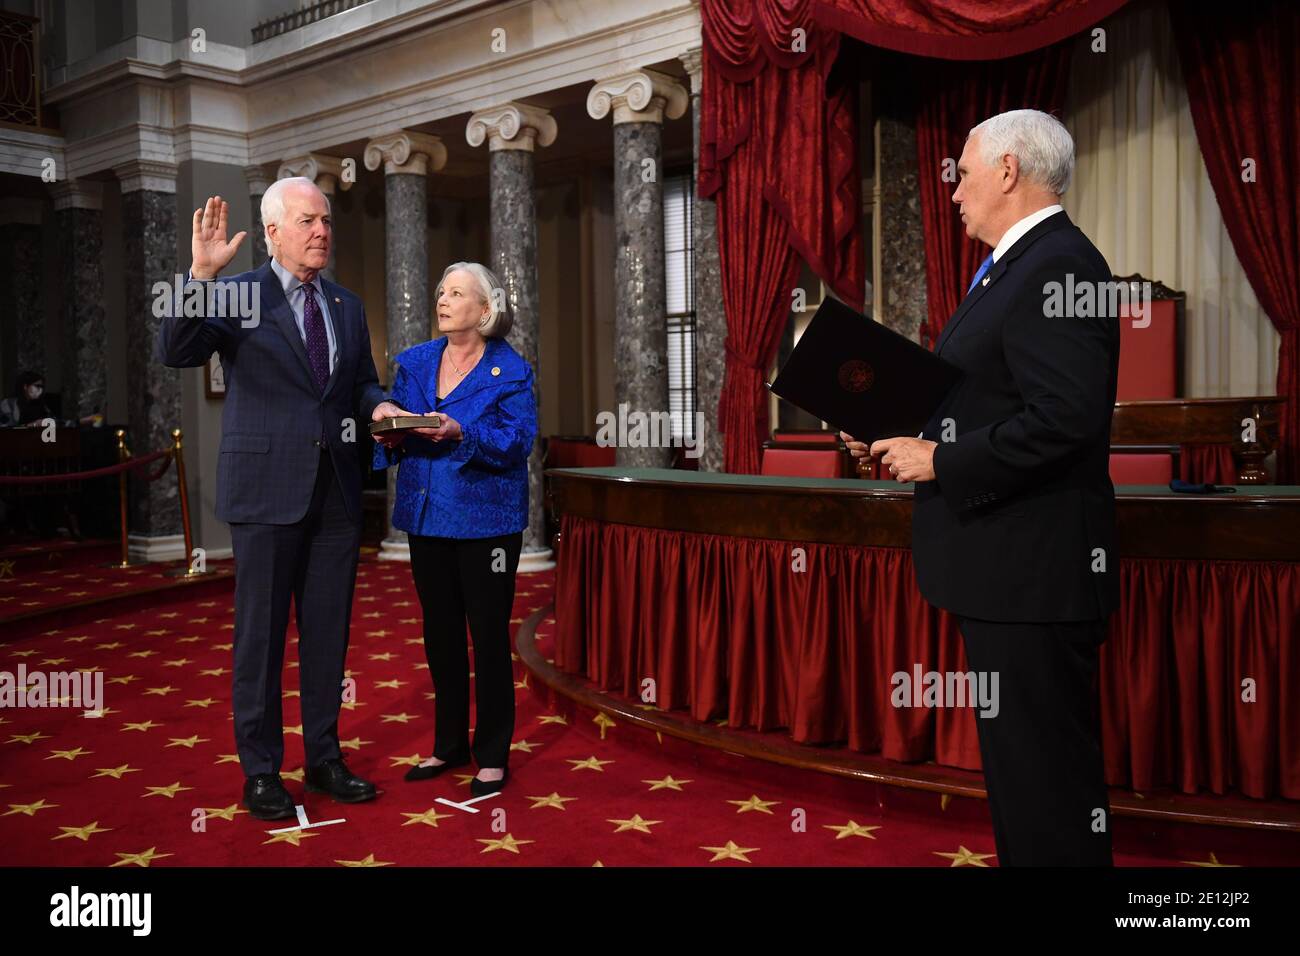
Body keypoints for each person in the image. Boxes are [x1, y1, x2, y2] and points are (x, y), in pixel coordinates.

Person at [842, 109, 1119, 866]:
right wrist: (898, 437)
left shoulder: (1060, 265)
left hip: (1035, 575)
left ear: (1006, 171)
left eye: (962, 174)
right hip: (1008, 572)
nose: (954, 191)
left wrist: (942, 462)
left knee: (1049, 794)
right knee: (1026, 789)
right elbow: (988, 401)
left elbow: (1067, 416)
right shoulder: (1013, 266)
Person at [157, 181, 405, 820]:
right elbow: (176, 351)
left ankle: (323, 757)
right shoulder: (238, 295)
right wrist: (200, 276)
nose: (322, 231)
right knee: (260, 639)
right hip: (266, 491)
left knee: (328, 636)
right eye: (307, 221)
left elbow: (358, 384)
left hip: (337, 496)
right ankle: (261, 770)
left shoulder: (347, 305)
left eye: (325, 220)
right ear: (272, 232)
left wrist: (378, 405)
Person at [372, 261, 536, 797]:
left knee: (487, 637)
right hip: (427, 515)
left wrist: (461, 430)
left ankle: (491, 754)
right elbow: (401, 426)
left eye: (457, 293)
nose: (443, 299)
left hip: (486, 521)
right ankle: (448, 745)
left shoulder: (510, 370)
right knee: (440, 634)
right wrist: (391, 431)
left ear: (485, 311)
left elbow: (517, 442)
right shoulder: (416, 362)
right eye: (441, 290)